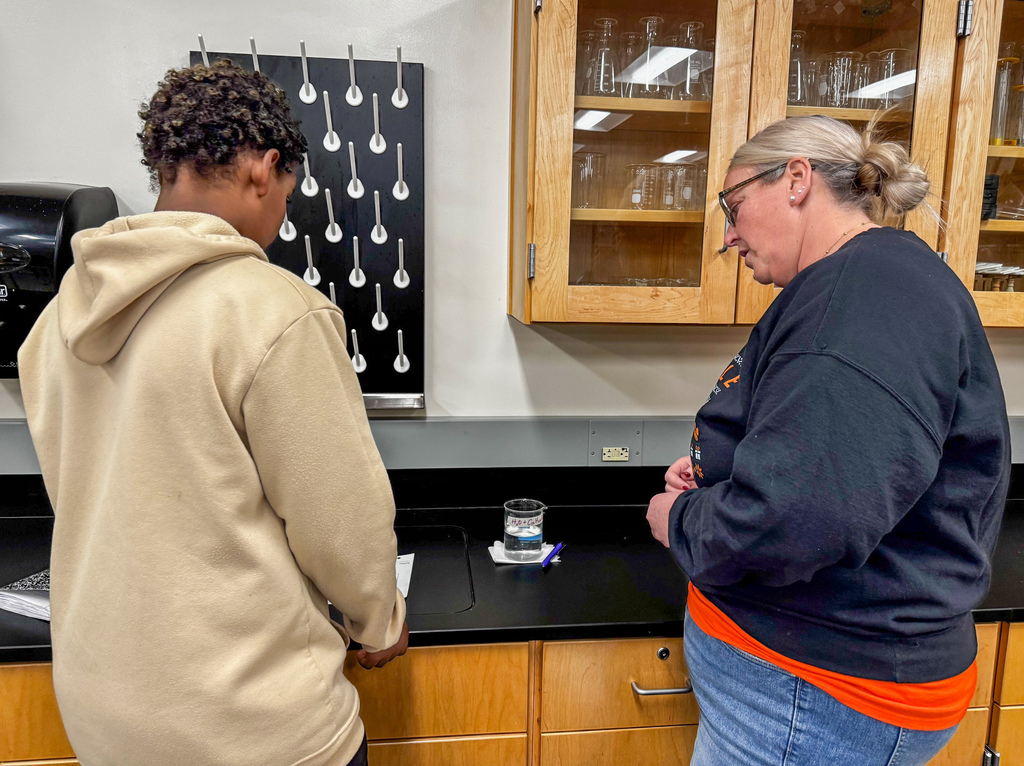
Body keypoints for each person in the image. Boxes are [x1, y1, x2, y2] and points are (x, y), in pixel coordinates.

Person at [18, 60, 407, 766]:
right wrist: (377, 621)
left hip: (107, 720)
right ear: (264, 169)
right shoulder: (274, 310)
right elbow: (341, 521)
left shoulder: (56, 322)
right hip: (251, 728)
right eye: (286, 198)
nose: (281, 222)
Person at [646, 115, 1011, 766]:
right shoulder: (867, 283)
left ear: (794, 180)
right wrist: (722, 472)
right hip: (814, 687)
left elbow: (800, 516)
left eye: (733, 207)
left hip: (810, 693)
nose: (729, 237)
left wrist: (682, 519)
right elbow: (832, 456)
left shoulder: (859, 293)